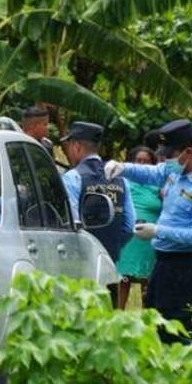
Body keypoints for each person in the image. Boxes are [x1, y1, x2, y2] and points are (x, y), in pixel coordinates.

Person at [104, 119, 192, 345]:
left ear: (188, 152)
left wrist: (158, 231)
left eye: (169, 154)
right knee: (154, 328)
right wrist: (123, 167)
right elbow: (151, 172)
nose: (164, 159)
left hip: (184, 268)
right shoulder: (175, 171)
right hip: (162, 265)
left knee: (176, 335)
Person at [60, 122, 134, 305]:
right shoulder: (120, 179)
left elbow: (70, 225)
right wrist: (110, 246)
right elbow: (129, 226)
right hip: (110, 266)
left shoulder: (73, 178)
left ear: (76, 146)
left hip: (80, 270)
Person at [115, 146, 161, 309]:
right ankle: (117, 320)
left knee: (148, 283)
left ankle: (146, 323)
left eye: (146, 161)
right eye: (138, 161)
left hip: (149, 240)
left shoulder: (158, 185)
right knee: (123, 281)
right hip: (128, 239)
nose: (142, 164)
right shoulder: (123, 182)